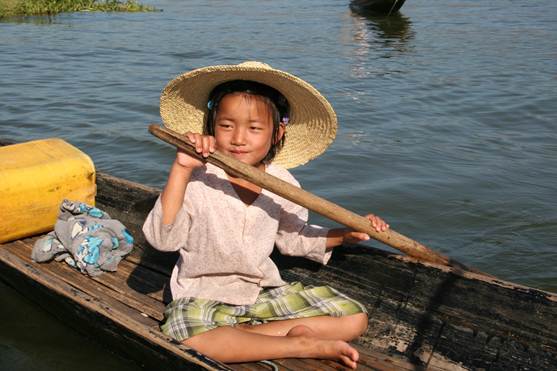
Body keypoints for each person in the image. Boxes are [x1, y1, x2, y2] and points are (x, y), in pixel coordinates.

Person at [143, 61, 389, 369]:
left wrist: (345, 235)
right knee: (186, 334)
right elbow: (163, 240)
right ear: (211, 127)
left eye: (254, 128)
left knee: (354, 317)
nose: (238, 139)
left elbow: (293, 239)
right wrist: (180, 169)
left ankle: (248, 337)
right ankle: (297, 343)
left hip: (261, 293)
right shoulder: (198, 177)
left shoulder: (282, 182)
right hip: (202, 297)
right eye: (226, 126)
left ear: (277, 133)